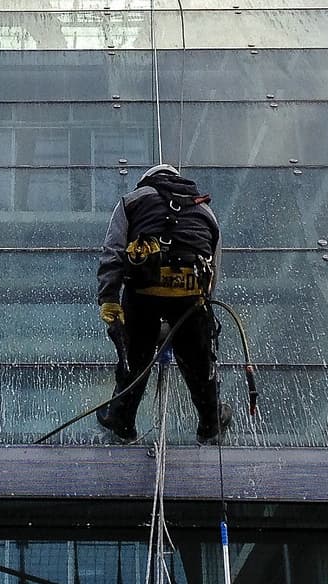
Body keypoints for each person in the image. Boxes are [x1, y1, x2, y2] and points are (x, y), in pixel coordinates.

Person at [95, 164, 231, 445]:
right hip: (191, 291)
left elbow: (114, 252)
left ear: (146, 181)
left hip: (144, 289)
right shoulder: (204, 209)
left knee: (135, 358)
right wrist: (201, 306)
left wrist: (109, 298)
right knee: (199, 362)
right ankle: (210, 423)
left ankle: (121, 422)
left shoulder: (132, 201)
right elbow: (214, 265)